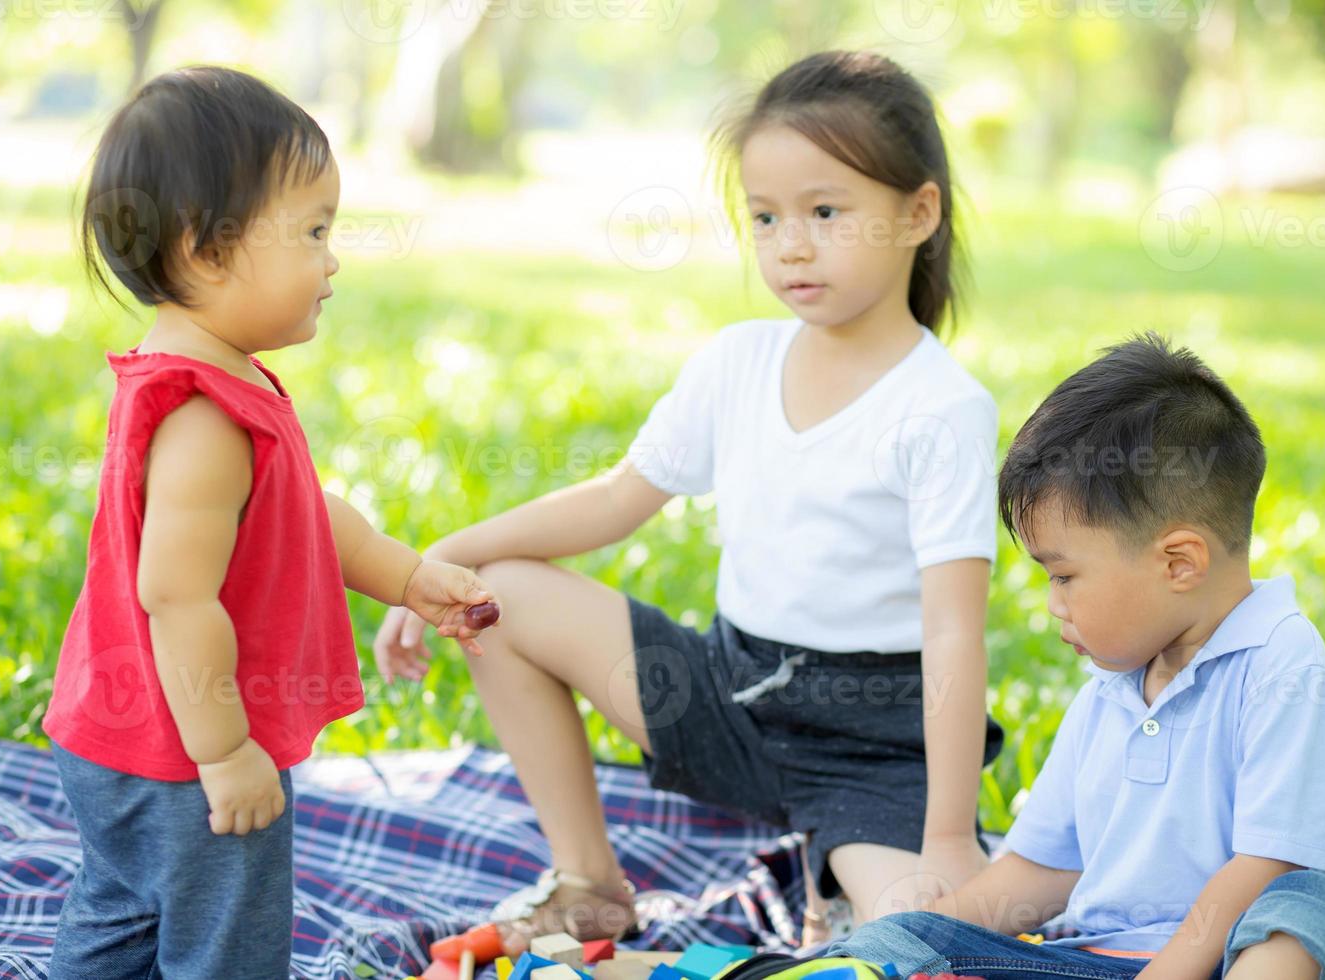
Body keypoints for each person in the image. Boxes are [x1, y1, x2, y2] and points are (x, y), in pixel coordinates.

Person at [376, 50, 1004, 952]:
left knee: (917, 932)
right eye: (765, 216)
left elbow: (954, 632)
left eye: (826, 212)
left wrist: (947, 840)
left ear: (919, 212)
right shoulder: (738, 362)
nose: (790, 243)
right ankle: (590, 883)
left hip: (871, 743)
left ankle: (867, 872)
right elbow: (617, 497)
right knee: (500, 593)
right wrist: (445, 557)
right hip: (728, 690)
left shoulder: (940, 407)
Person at [44, 66, 494, 979]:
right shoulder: (205, 414)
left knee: (123, 917)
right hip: (185, 753)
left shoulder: (218, 379)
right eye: (315, 231)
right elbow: (173, 596)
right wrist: (227, 753)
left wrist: (408, 577)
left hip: (122, 737)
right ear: (208, 250)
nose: (334, 260)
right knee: (228, 943)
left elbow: (302, 520)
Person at [826, 334, 1325, 978]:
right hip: (1107, 958)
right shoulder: (1111, 689)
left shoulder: (1281, 666)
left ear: (1179, 563)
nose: (1053, 603)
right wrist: (941, 924)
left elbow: (1269, 862)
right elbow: (1048, 865)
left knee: (1299, 911)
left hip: (1235, 955)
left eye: (1063, 576)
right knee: (906, 939)